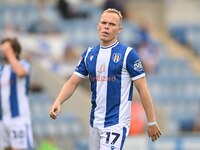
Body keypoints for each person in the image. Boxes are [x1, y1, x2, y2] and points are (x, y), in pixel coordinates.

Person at [49, 8, 161, 150]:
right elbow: (72, 82)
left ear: (119, 29)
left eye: (112, 24)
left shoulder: (128, 55)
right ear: (98, 26)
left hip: (117, 123)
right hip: (95, 122)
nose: (107, 26)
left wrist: (151, 122)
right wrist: (58, 101)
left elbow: (143, 88)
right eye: (104, 22)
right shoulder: (89, 54)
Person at [0, 38, 33, 150]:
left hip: (18, 118)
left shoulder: (23, 64)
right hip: (3, 118)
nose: (3, 51)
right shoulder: (2, 69)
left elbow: (21, 73)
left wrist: (10, 54)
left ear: (15, 52)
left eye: (7, 49)